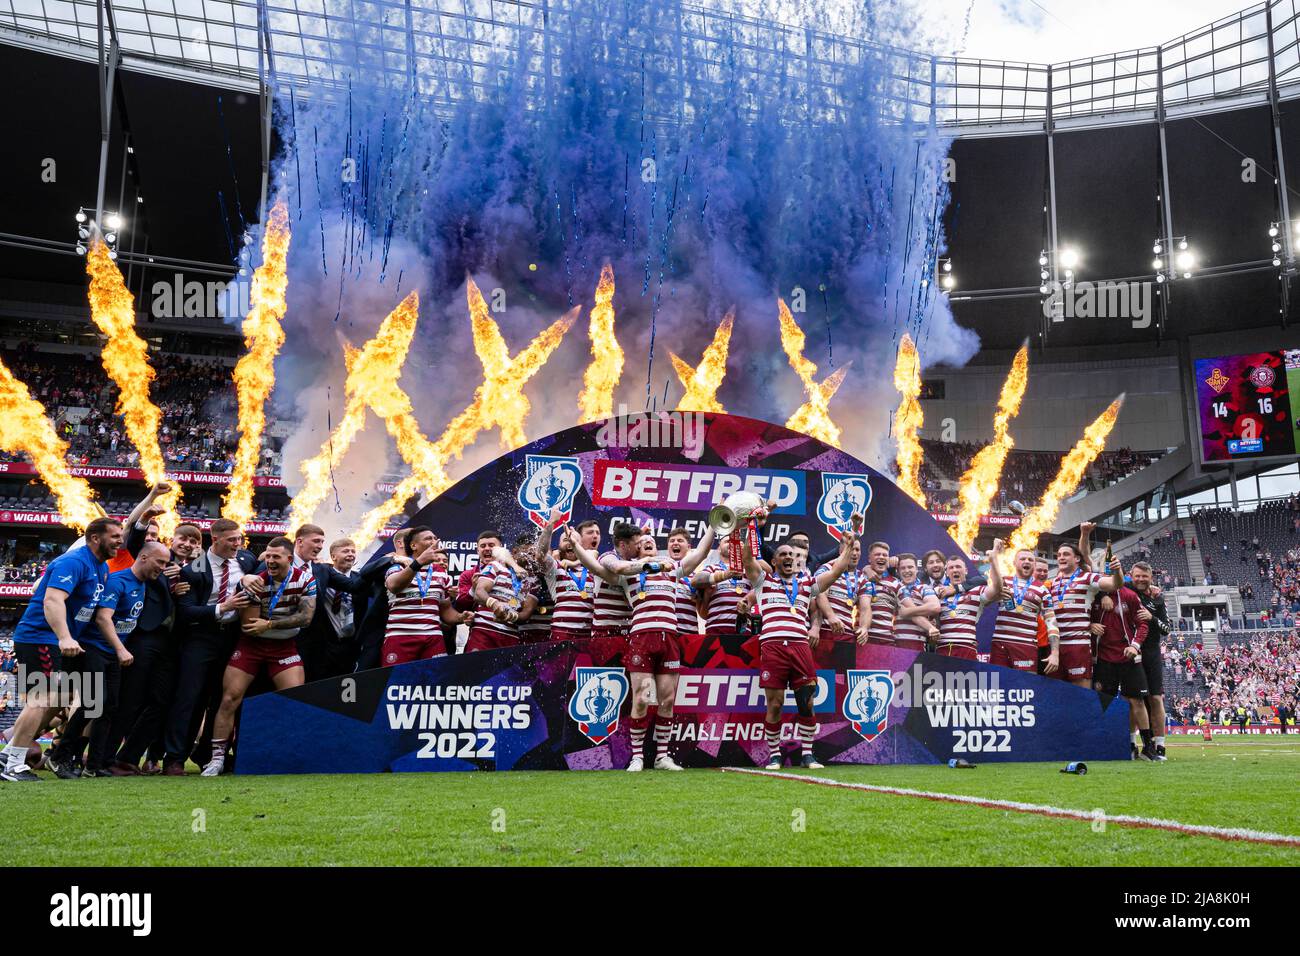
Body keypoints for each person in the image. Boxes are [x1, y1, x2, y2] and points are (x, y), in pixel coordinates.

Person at [568, 522, 714, 771]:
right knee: (642, 699)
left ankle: (662, 757)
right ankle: (637, 756)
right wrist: (576, 546)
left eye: (651, 543)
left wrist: (712, 524)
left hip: (669, 638)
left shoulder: (673, 569)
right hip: (642, 639)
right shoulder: (629, 573)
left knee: (667, 700)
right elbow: (599, 566)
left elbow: (699, 553)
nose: (646, 545)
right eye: (642, 544)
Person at [0, 517, 123, 782]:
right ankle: (12, 765)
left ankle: (8, 754)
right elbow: (52, 600)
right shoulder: (74, 562)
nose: (120, 541)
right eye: (114, 536)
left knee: (62, 696)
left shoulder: (101, 567)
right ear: (94, 538)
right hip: (41, 637)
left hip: (57, 640)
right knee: (41, 698)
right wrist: (65, 637)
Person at [46, 541, 170, 777]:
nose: (163, 568)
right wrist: (121, 649)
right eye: (160, 562)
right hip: (95, 649)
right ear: (143, 558)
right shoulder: (117, 581)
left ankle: (95, 766)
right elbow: (103, 618)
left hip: (112, 653)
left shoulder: (142, 583)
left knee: (109, 708)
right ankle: (58, 756)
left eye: (166, 563)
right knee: (94, 705)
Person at [743, 525, 858, 770]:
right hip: (773, 646)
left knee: (806, 702)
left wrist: (851, 540)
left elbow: (837, 570)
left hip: (800, 646)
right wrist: (750, 527)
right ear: (773, 561)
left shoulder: (807, 583)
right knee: (774, 704)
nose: (788, 558)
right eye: (783, 554)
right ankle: (774, 755)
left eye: (793, 555)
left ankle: (808, 755)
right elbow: (747, 559)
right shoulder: (763, 582)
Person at [202, 537, 317, 776]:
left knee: (295, 700)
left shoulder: (305, 578)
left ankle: (288, 755)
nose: (271, 561)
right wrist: (267, 625)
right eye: (268, 556)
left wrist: (270, 624)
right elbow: (250, 626)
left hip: (284, 647)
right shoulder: (256, 582)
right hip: (251, 645)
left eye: (276, 556)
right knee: (229, 699)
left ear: (289, 557)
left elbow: (306, 618)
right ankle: (217, 759)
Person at [162, 518, 256, 775]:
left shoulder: (246, 560)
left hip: (233, 639)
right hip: (200, 638)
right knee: (189, 697)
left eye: (239, 539)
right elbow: (187, 612)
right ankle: (175, 758)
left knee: (223, 698)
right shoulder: (194, 569)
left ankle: (208, 755)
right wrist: (222, 608)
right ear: (215, 539)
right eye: (231, 540)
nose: (237, 544)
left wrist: (248, 576)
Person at [1091, 565, 1157, 761]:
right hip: (1103, 658)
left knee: (1137, 701)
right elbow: (1080, 617)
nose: (1108, 579)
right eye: (1105, 576)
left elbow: (1142, 624)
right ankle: (1116, 744)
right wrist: (1090, 625)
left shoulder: (1129, 595)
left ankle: (1147, 746)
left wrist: (1135, 646)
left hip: (1129, 657)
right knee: (1104, 702)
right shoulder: (1092, 596)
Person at [382, 527, 462, 665]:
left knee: (433, 684)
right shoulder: (398, 567)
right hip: (401, 638)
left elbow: (445, 610)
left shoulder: (442, 573)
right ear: (413, 546)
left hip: (433, 639)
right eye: (428, 538)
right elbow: (394, 586)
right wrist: (418, 563)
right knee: (398, 684)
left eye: (434, 538)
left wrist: (462, 617)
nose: (434, 541)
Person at [1050, 529, 1120, 687]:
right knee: (1057, 696)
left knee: (1082, 697)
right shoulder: (1054, 582)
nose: (1061, 557)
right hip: (1055, 647)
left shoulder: (1087, 577)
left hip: (1078, 645)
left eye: (1066, 554)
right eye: (1059, 555)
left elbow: (1114, 584)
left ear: (1076, 559)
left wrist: (1117, 572)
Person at [1129, 560, 1171, 760]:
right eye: (1137, 576)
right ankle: (1130, 744)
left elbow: (1167, 629)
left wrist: (1151, 618)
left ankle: (1160, 745)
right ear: (1131, 575)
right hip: (1130, 651)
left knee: (1155, 698)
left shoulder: (1158, 599)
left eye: (1144, 576)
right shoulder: (1124, 588)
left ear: (1151, 578)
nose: (1140, 579)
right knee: (1132, 699)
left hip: (1151, 652)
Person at [990, 548, 1058, 673]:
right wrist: (995, 596)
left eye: (1030, 559)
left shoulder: (1043, 590)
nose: (1026, 561)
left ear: (1034, 564)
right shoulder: (1003, 582)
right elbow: (984, 599)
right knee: (998, 687)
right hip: (1000, 645)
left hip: (1026, 645)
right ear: (1014, 563)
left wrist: (1055, 654)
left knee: (1025, 689)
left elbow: (1052, 623)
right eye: (1022, 559)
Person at [534, 513, 598, 642]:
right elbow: (540, 555)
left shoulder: (594, 568)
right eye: (565, 540)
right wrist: (551, 523)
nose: (570, 542)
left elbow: (593, 553)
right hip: (562, 632)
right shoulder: (555, 567)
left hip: (589, 634)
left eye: (573, 541)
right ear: (558, 547)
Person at [811, 536, 861, 670]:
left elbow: (866, 606)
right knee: (823, 677)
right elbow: (819, 593)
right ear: (841, 551)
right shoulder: (826, 568)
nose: (854, 553)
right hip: (826, 633)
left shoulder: (861, 576)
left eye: (857, 549)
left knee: (843, 682)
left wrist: (864, 627)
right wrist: (831, 616)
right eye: (851, 549)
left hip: (848, 636)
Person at [935, 551, 992, 659]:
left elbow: (983, 580)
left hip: (966, 647)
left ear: (966, 570)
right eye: (951, 568)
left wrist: (957, 588)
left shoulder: (976, 589)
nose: (955, 570)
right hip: (942, 647)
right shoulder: (938, 591)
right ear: (946, 572)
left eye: (958, 567)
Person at [892, 553, 940, 652]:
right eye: (903, 568)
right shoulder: (893, 586)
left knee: (917, 668)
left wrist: (907, 612)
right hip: (894, 645)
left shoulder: (924, 588)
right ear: (898, 571)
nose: (907, 571)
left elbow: (935, 607)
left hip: (918, 646)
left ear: (916, 569)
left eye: (910, 567)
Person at [857, 541, 901, 647]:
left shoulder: (896, 583)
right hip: (862, 639)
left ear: (888, 560)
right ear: (869, 559)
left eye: (885, 555)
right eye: (877, 554)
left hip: (886, 640)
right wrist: (866, 569)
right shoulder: (859, 577)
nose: (881, 557)